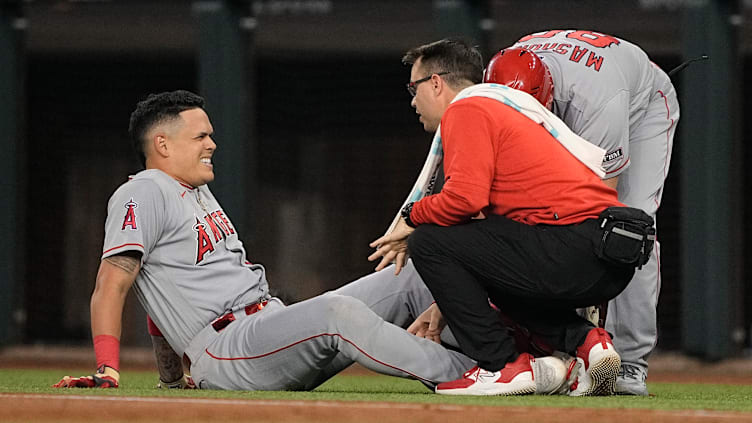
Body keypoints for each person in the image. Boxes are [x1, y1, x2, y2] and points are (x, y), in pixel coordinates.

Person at [52, 90, 571, 393]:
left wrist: (169, 374)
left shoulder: (194, 194)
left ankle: (535, 350)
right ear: (161, 144)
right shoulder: (143, 190)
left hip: (265, 327)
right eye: (200, 136)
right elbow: (113, 283)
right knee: (336, 317)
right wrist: (107, 364)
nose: (213, 142)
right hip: (230, 348)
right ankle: (496, 376)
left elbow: (160, 288)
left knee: (410, 273)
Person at [369, 38, 648, 396]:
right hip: (605, 254)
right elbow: (480, 243)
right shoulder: (509, 107)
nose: (412, 100)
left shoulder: (467, 109)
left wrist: (413, 217)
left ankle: (502, 365)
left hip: (571, 244)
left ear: (436, 82)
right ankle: (588, 343)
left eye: (414, 87)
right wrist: (442, 305)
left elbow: (464, 200)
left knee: (429, 241)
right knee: (474, 250)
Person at [483, 29, 680, 396]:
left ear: (546, 97)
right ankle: (556, 344)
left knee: (628, 231)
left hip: (641, 104)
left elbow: (596, 204)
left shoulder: (598, 101)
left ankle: (631, 366)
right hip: (587, 90)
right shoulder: (496, 83)